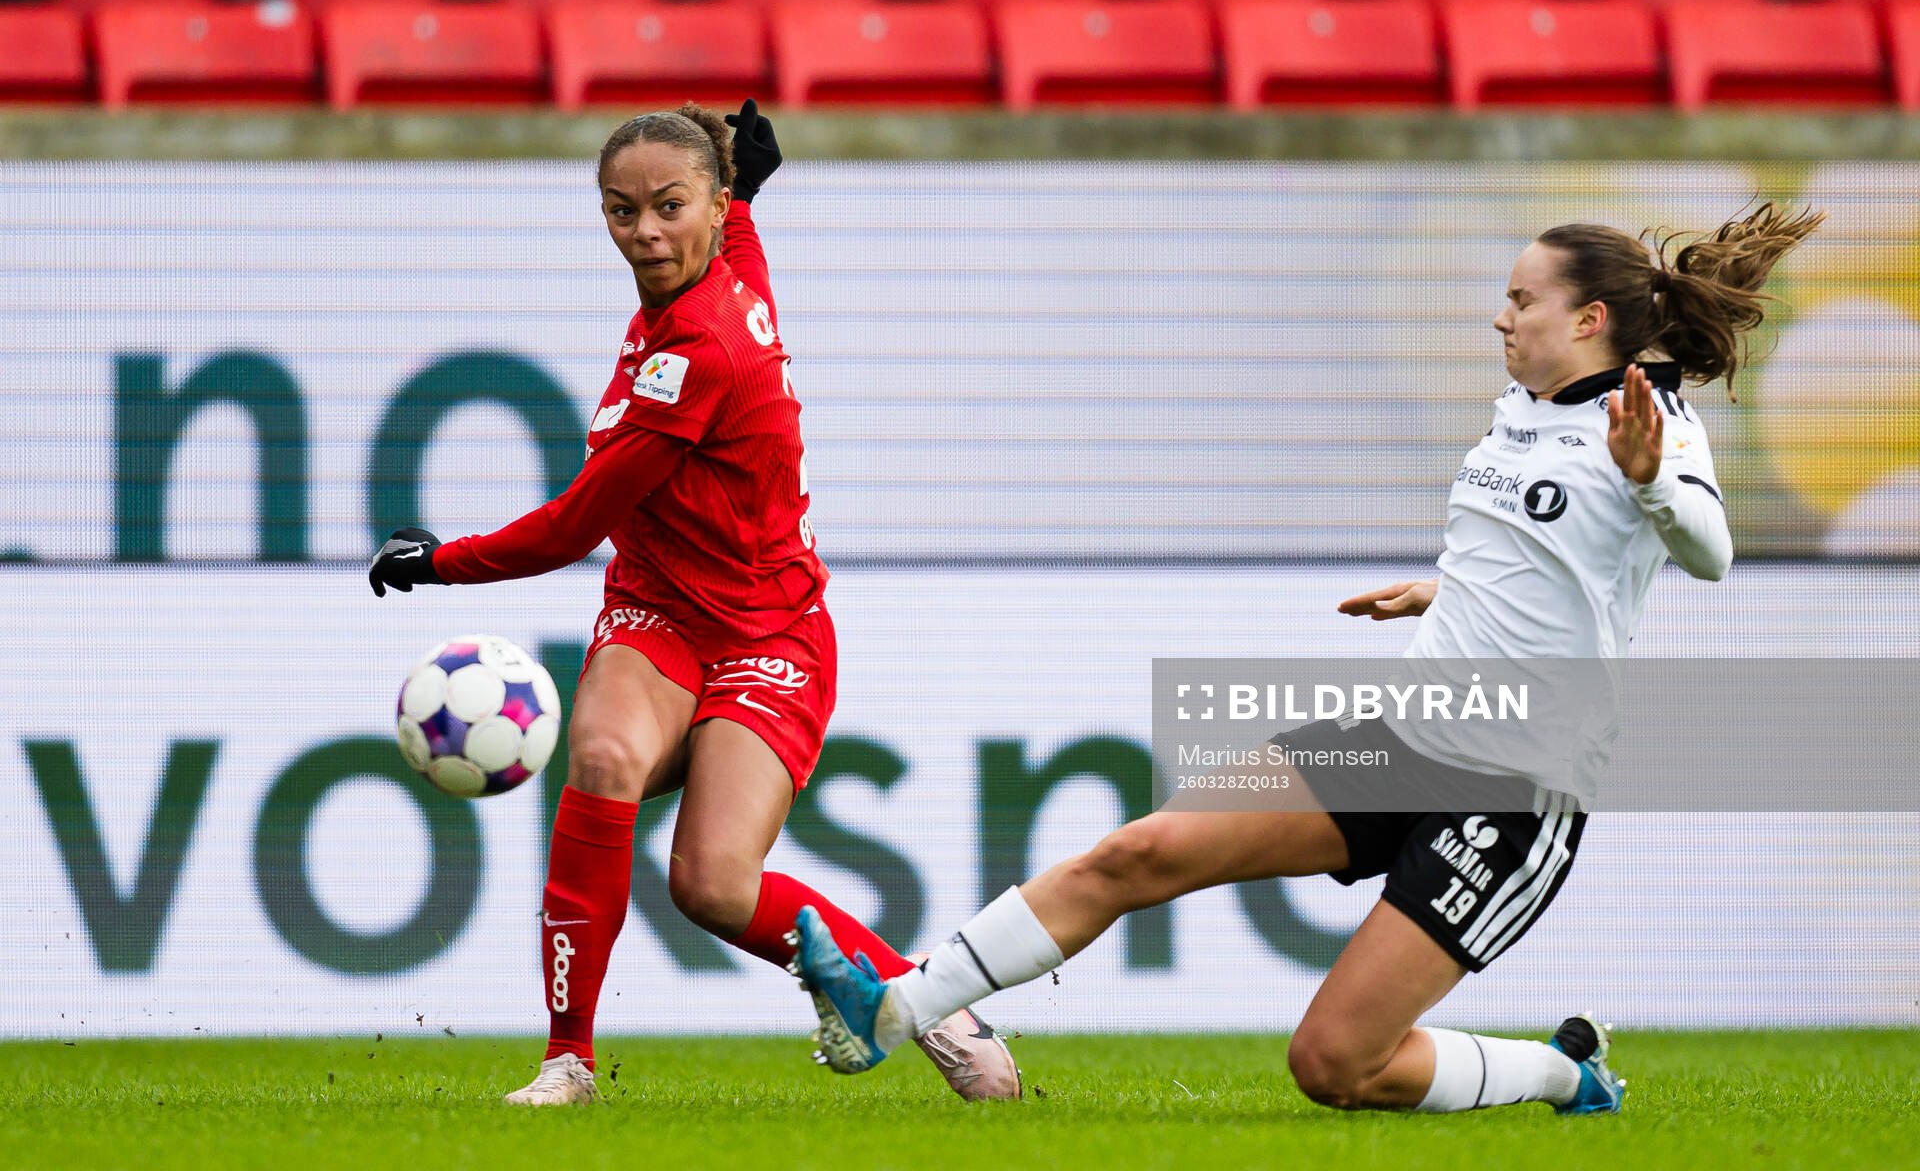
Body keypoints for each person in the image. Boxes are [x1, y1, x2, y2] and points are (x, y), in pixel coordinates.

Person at [790, 201, 1824, 1116]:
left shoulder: (1648, 421)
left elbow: (1709, 553)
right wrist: (1442, 591)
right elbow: (1547, 554)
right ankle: (894, 1010)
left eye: (1521, 299)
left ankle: (1565, 1074)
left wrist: (1650, 481)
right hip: (1407, 735)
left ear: (1588, 319)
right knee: (1134, 855)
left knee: (1334, 1063)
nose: (1501, 318)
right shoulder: (1522, 406)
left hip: (1515, 782)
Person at [369, 100, 1019, 1105]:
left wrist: (439, 562)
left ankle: (925, 999)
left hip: (772, 633)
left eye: (669, 207)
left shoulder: (700, 351)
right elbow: (743, 257)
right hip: (658, 615)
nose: (645, 232)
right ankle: (567, 1062)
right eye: (622, 209)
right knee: (602, 758)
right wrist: (745, 199)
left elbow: (574, 526)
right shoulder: (722, 280)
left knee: (711, 884)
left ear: (706, 207)